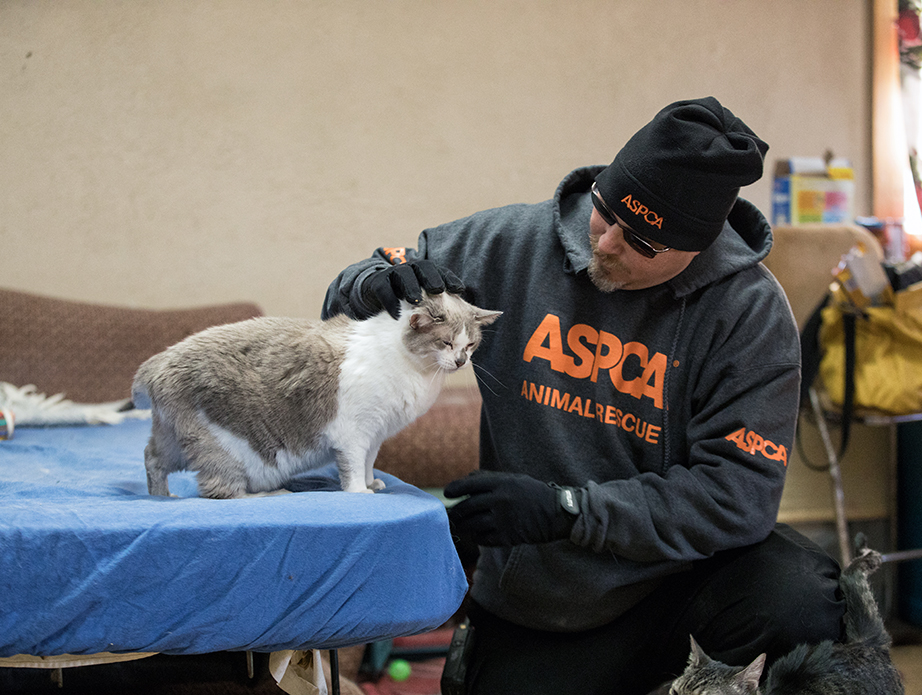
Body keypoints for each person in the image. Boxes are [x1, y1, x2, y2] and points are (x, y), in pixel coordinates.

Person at [322, 97, 844, 694]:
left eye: (642, 242)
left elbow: (739, 496)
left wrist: (570, 509)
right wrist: (368, 285)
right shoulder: (509, 246)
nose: (608, 244)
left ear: (697, 248)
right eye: (606, 212)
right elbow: (347, 309)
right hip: (546, 600)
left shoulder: (748, 314)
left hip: (682, 586)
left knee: (804, 603)